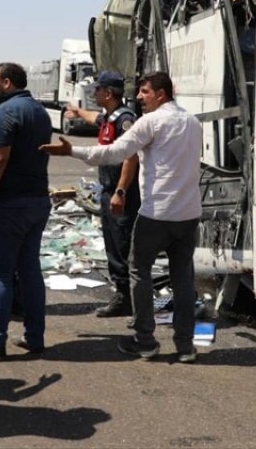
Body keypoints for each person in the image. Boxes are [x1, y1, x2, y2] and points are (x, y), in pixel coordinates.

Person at [42, 71, 202, 363]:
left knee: (139, 271)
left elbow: (115, 153)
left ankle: (145, 341)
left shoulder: (151, 122)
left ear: (161, 94)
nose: (139, 97)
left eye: (144, 92)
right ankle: (185, 346)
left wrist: (71, 150)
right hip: (189, 214)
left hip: (157, 214)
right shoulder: (192, 122)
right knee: (183, 277)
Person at [0, 62, 52, 360]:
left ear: (6, 83)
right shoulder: (39, 111)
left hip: (9, 203)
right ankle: (34, 336)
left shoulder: (6, 111)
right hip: (37, 201)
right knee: (29, 269)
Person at [64, 71, 140, 318]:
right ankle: (121, 295)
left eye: (97, 90)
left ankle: (128, 300)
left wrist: (120, 191)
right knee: (112, 244)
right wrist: (77, 112)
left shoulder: (125, 119)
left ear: (108, 93)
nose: (94, 93)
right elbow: (94, 118)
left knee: (121, 246)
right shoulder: (110, 116)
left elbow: (131, 156)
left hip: (121, 194)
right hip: (108, 191)